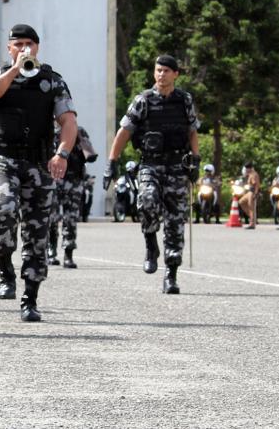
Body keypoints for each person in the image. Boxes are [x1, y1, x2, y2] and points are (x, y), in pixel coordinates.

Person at [0, 24, 78, 322]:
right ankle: (5, 270)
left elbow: (68, 121)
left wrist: (62, 154)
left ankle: (30, 298)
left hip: (37, 163)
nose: (24, 49)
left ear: (38, 47)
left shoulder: (52, 81)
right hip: (2, 159)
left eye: (29, 44)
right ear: (9, 48)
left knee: (37, 231)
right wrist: (14, 71)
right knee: (2, 209)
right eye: (18, 44)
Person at [104, 54, 200, 295]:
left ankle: (171, 274)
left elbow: (192, 131)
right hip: (150, 165)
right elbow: (124, 131)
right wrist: (112, 162)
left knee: (176, 221)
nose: (161, 74)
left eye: (167, 70)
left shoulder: (184, 100)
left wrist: (195, 160)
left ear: (176, 74)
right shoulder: (143, 100)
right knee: (146, 202)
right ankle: (150, 244)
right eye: (158, 70)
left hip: (177, 165)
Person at [47, 126, 97, 268]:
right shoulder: (48, 131)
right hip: (53, 179)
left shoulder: (79, 131)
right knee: (52, 217)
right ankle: (52, 251)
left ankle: (68, 255)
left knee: (71, 219)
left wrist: (81, 140)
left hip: (73, 180)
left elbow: (90, 155)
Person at [238, 162, 261, 229]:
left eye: (247, 169)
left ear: (249, 168)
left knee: (251, 207)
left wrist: (256, 193)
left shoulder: (253, 174)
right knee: (241, 202)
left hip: (252, 191)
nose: (246, 170)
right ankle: (252, 217)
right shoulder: (250, 174)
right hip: (249, 192)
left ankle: (252, 224)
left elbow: (255, 184)